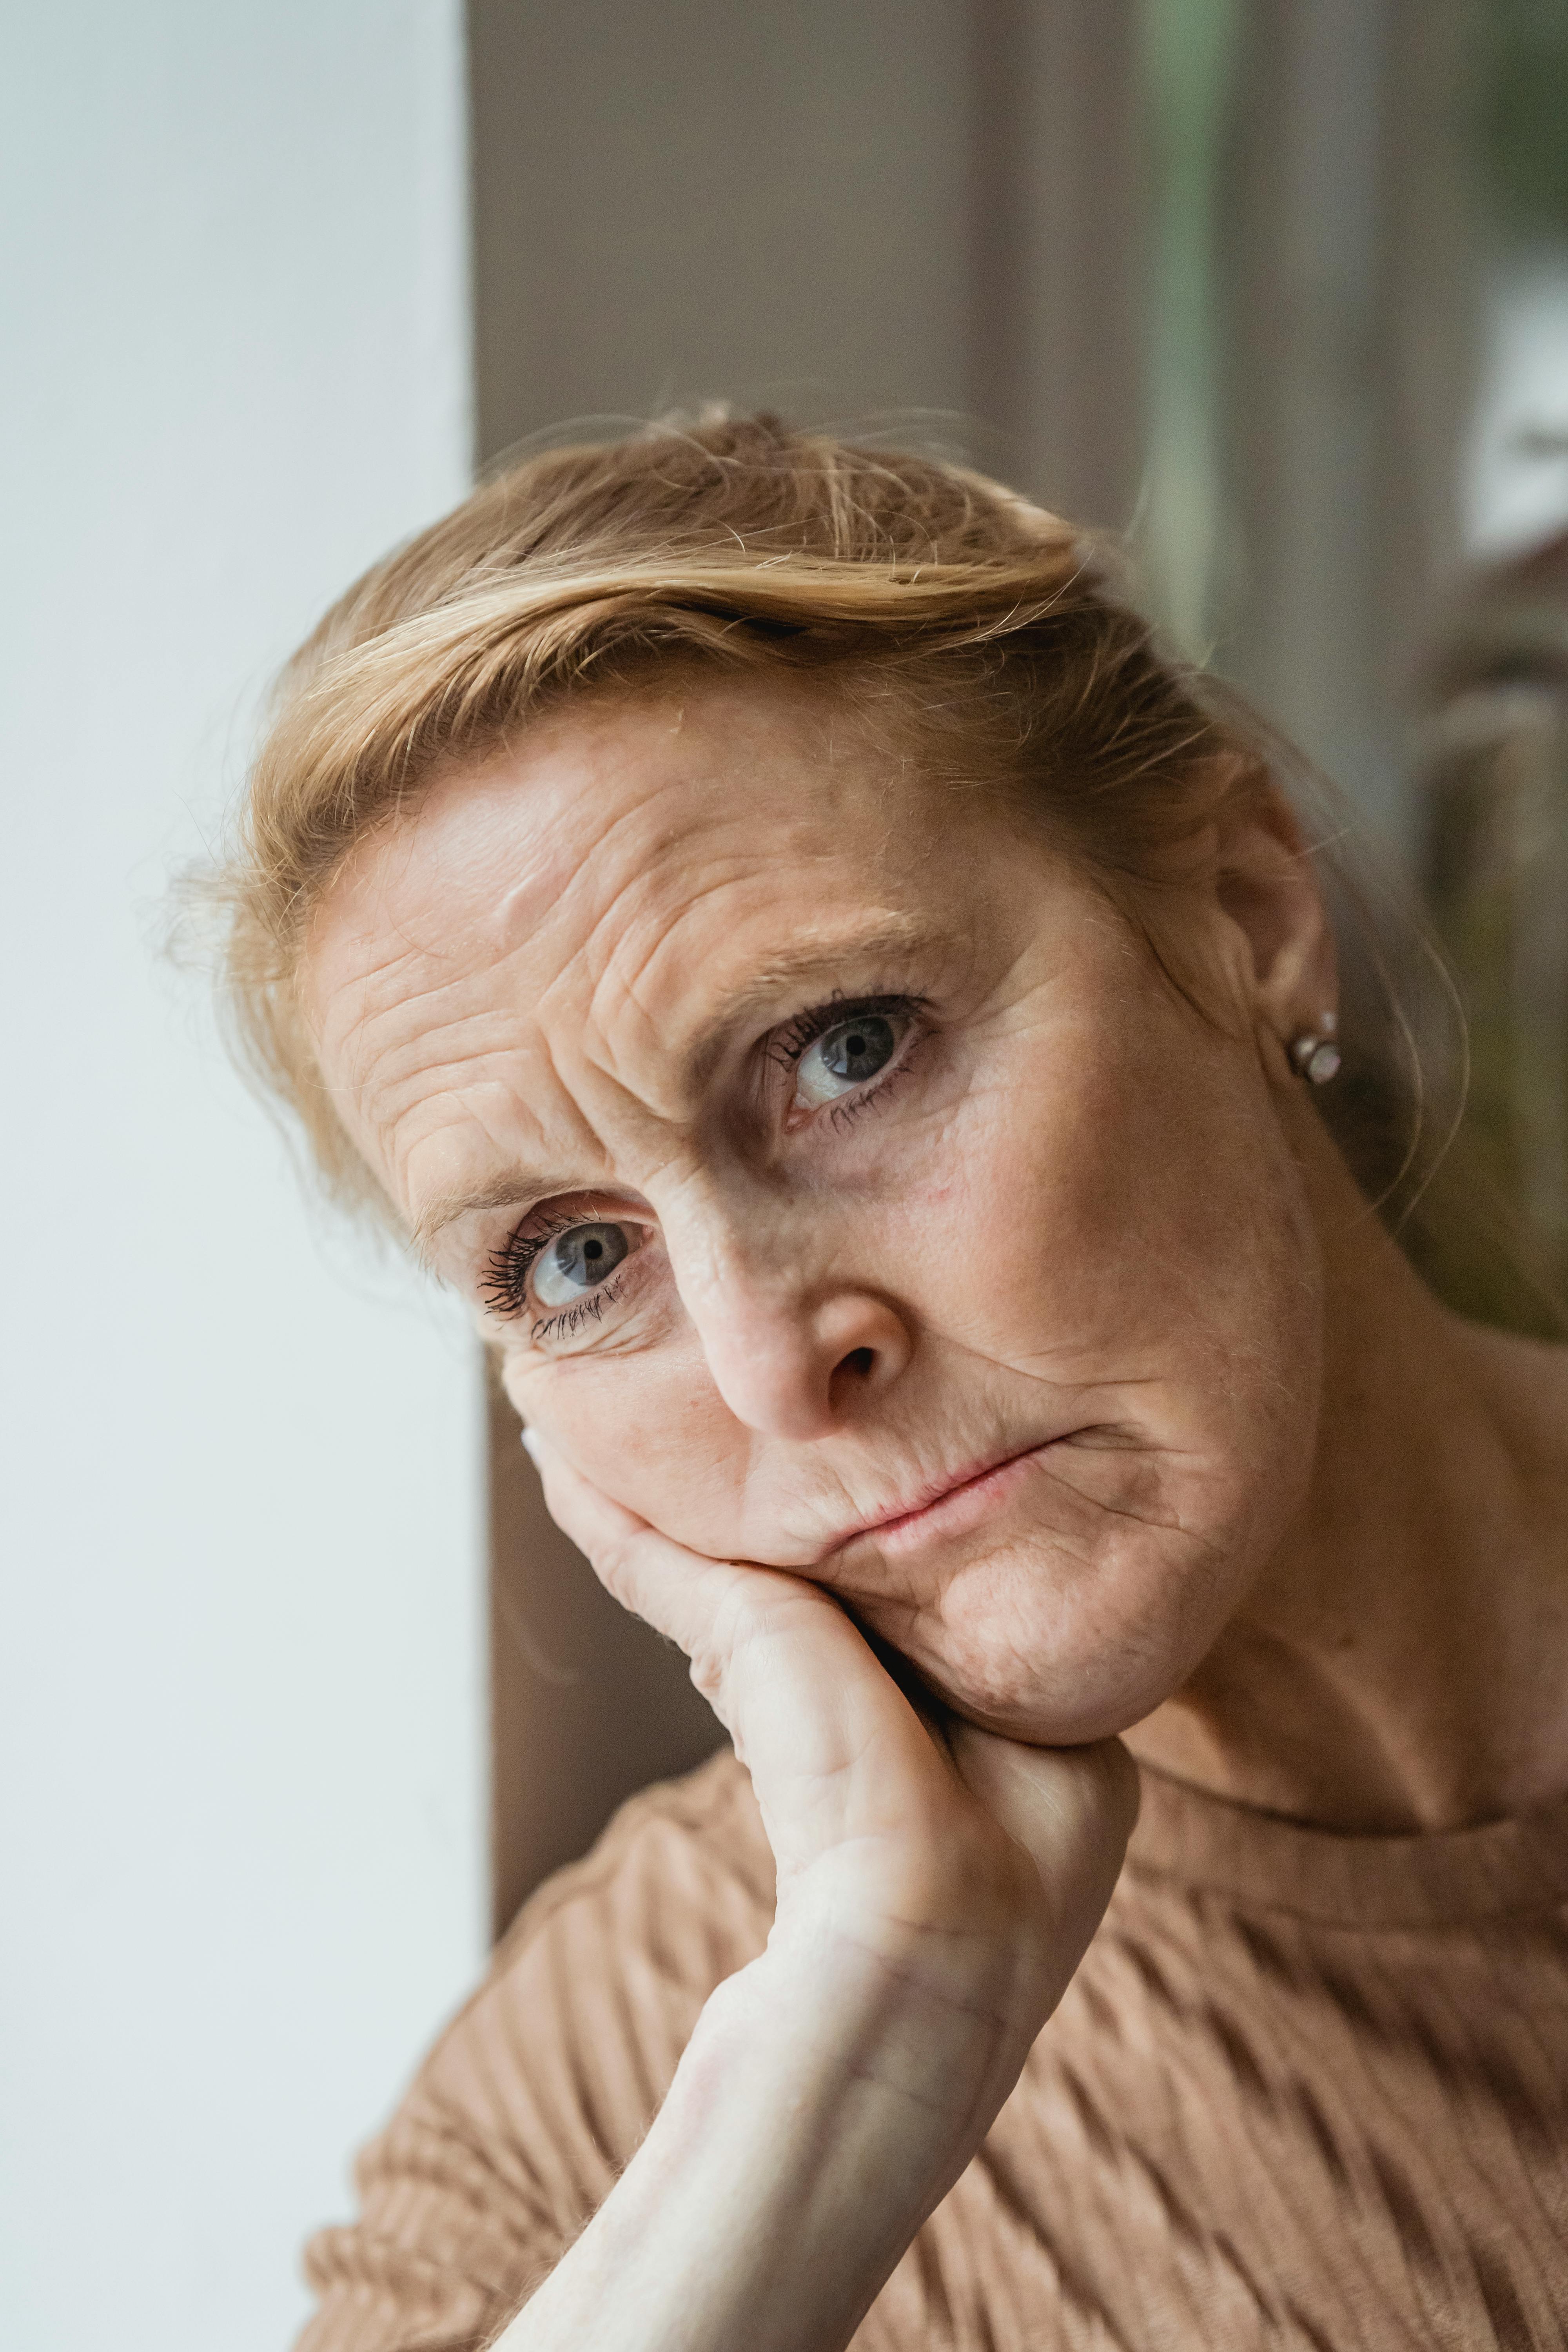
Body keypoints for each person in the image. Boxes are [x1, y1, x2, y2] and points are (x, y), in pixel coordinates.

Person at [216, 416, 1568, 2351]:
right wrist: (857, 2075)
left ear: (1248, 911)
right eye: (576, 1262)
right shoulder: (600, 2114)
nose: (776, 1364)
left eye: (846, 1049)